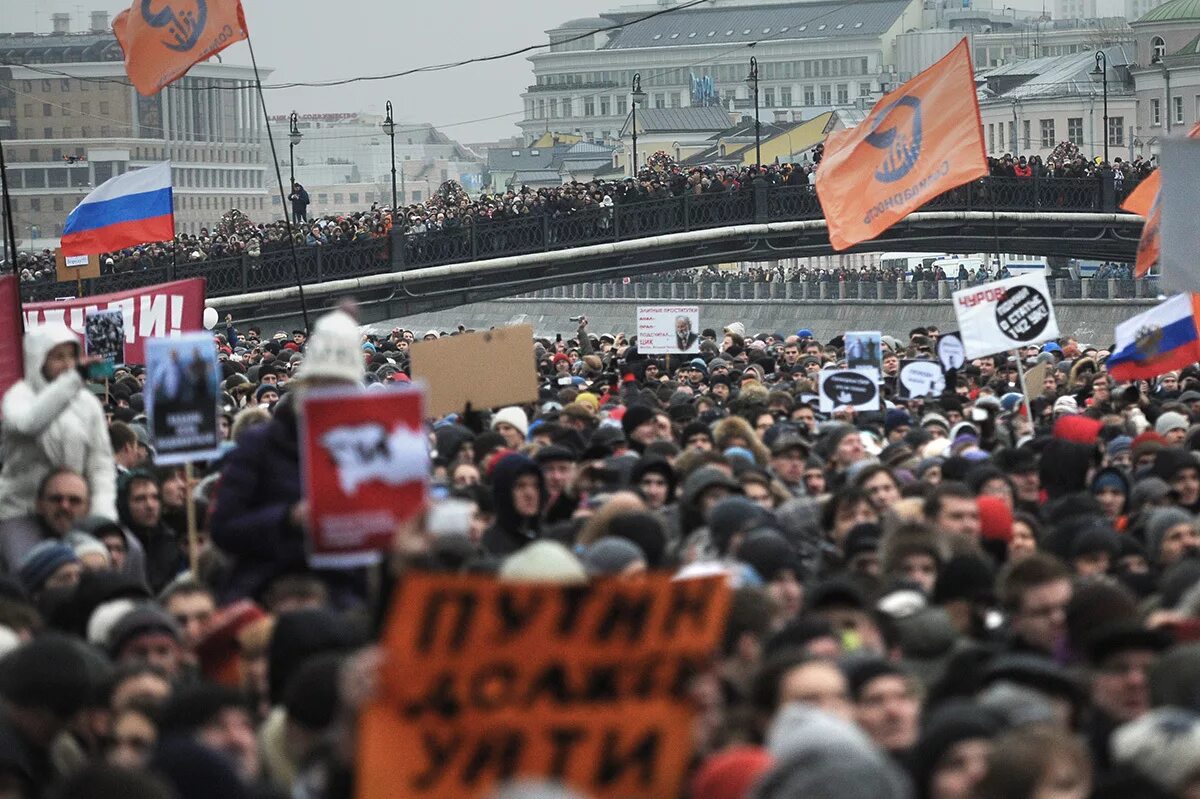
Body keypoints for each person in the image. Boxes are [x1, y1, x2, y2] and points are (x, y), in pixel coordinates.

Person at [211, 308, 367, 607]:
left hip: (342, 594)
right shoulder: (259, 445)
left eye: (343, 391)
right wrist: (289, 518)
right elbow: (224, 528)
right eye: (325, 388)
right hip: (269, 590)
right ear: (305, 388)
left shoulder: (366, 450)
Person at [0, 322, 116, 521]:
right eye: (59, 357)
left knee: (126, 549)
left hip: (74, 513)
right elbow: (29, 424)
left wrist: (102, 515)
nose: (68, 364)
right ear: (38, 360)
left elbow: (100, 465)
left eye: (72, 356)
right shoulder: (18, 397)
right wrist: (73, 379)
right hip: (21, 512)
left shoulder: (88, 404)